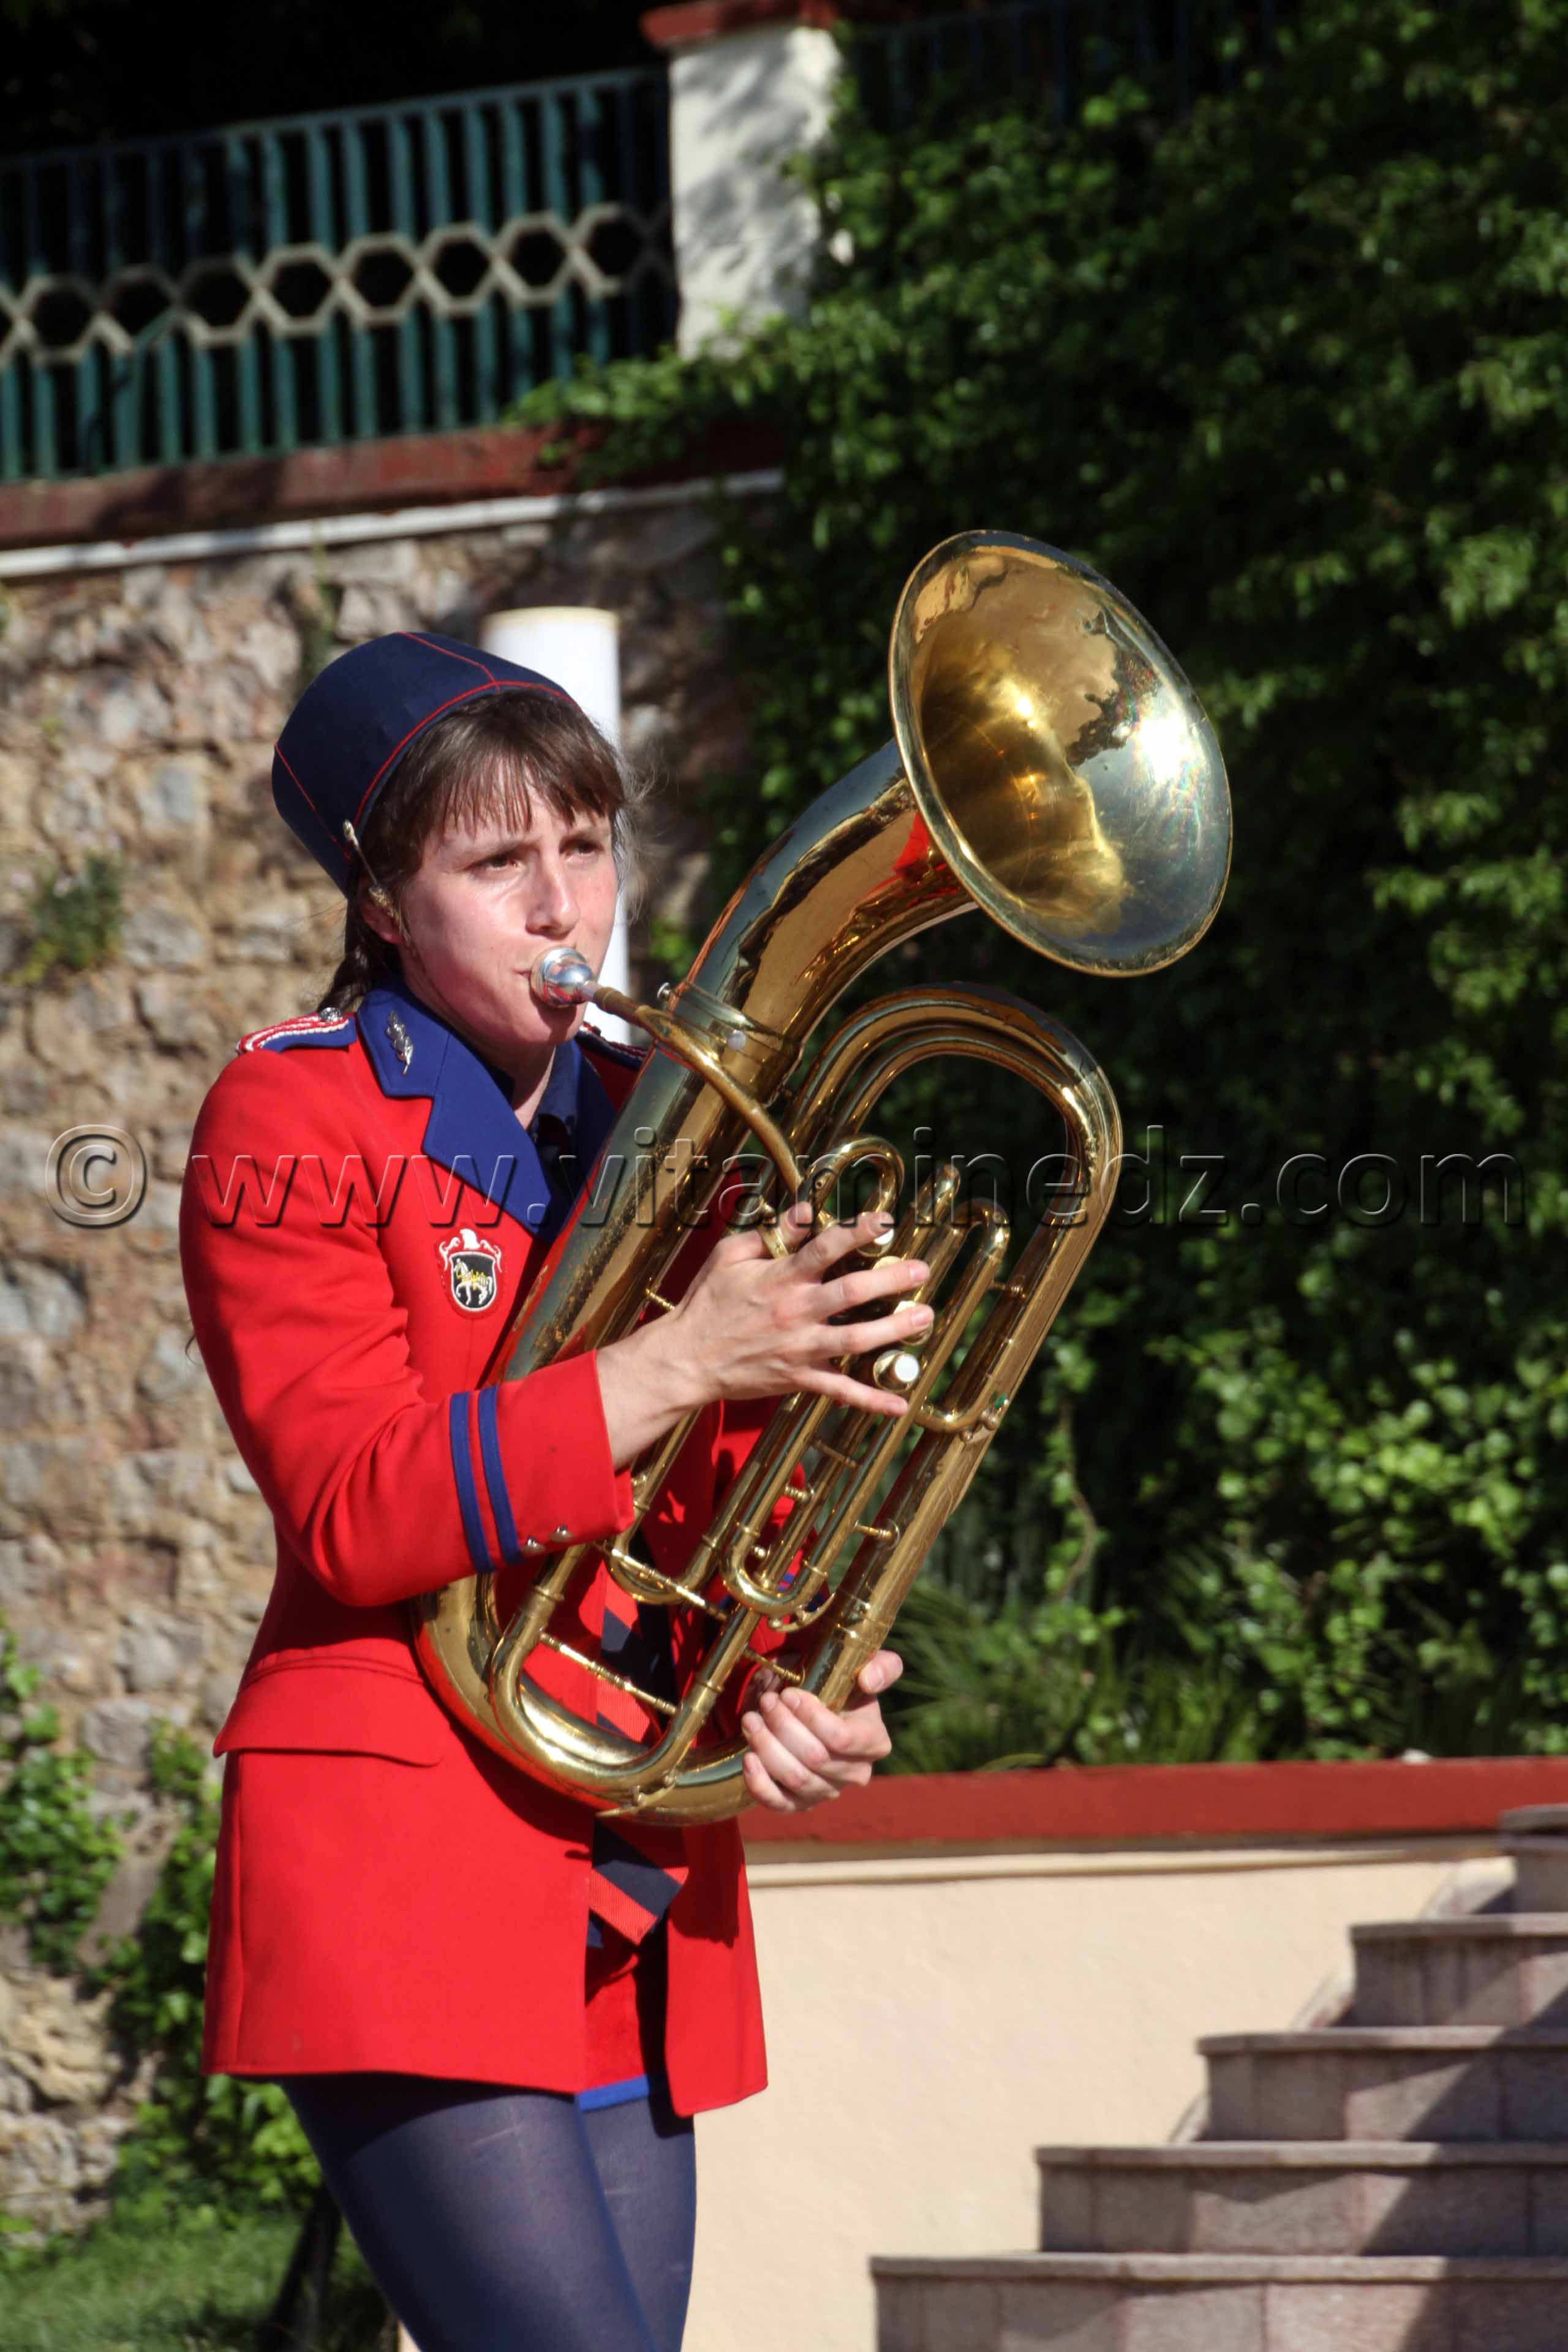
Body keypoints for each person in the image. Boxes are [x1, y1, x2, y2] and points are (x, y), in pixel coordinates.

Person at [178, 632, 936, 2352]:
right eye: (496, 861)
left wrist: (795, 1691)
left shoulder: (660, 1122)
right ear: (382, 901)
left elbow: (733, 1512)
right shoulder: (291, 1112)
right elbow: (356, 1507)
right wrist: (678, 1355)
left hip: (627, 1863)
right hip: (403, 1859)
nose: (562, 906)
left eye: (585, 844)